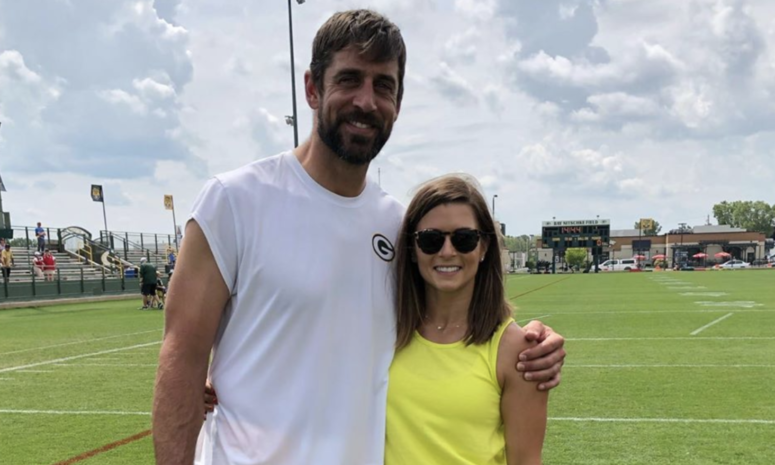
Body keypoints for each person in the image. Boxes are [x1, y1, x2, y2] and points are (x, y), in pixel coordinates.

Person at [153, 10, 565, 465]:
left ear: (398, 103)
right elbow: (182, 359)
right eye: (349, 79)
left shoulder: (400, 226)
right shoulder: (233, 201)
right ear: (312, 88)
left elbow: (448, 318)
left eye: (383, 86)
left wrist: (536, 342)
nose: (366, 102)